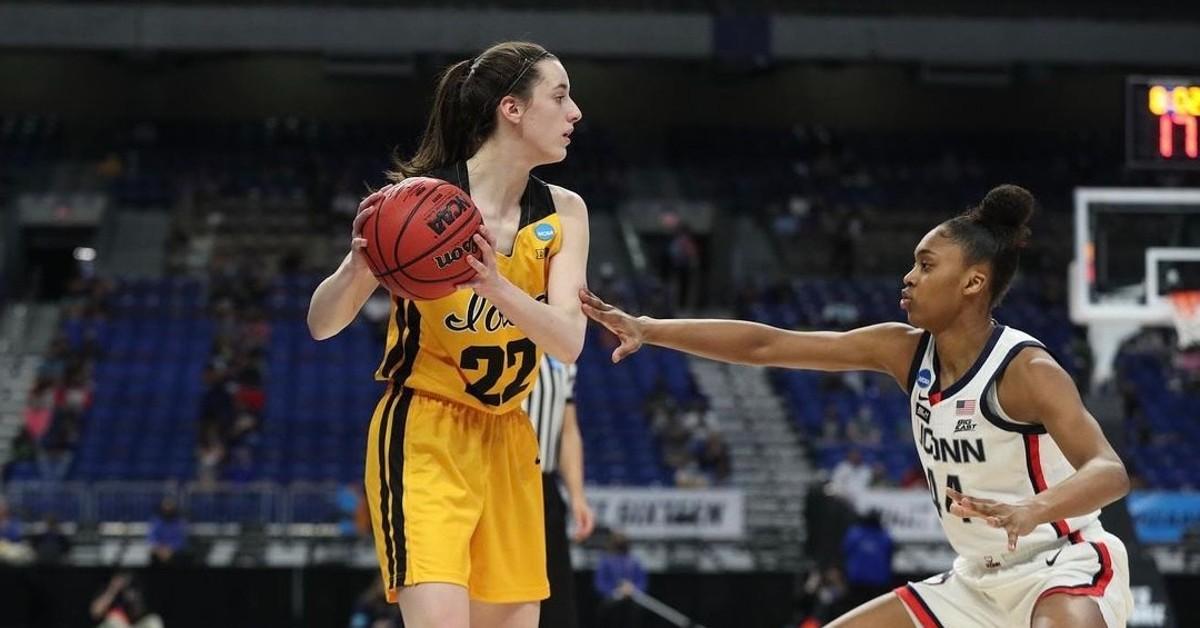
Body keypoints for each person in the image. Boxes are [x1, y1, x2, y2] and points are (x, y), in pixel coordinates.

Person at [581, 185, 1134, 627]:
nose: (909, 277)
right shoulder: (902, 350)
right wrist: (649, 328)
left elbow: (1109, 471)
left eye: (925, 265)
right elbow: (767, 344)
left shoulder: (1026, 370)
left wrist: (1033, 510)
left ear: (973, 281)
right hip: (976, 581)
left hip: (1063, 563)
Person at [307, 40, 589, 628]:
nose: (575, 112)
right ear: (511, 110)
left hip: (510, 442)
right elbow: (322, 324)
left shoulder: (565, 212)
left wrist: (495, 284)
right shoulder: (412, 207)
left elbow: (568, 341)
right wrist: (356, 268)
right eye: (560, 97)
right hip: (425, 434)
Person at [522, 355, 595, 628]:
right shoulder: (490, 334)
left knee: (555, 600)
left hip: (544, 487)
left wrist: (577, 495)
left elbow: (568, 430)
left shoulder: (561, 354)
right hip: (496, 482)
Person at [593, 532, 647, 628]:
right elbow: (600, 584)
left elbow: (642, 582)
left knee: (634, 610)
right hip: (612, 600)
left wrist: (633, 589)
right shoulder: (605, 561)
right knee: (610, 609)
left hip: (631, 598)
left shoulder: (635, 561)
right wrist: (615, 592)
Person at [89, 571, 164, 628]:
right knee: (113, 620)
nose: (121, 581)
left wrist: (131, 599)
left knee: (154, 620)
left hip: (128, 625)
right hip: (110, 625)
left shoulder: (131, 591)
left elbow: (138, 615)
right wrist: (112, 590)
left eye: (123, 579)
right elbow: (95, 613)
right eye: (118, 578)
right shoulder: (106, 591)